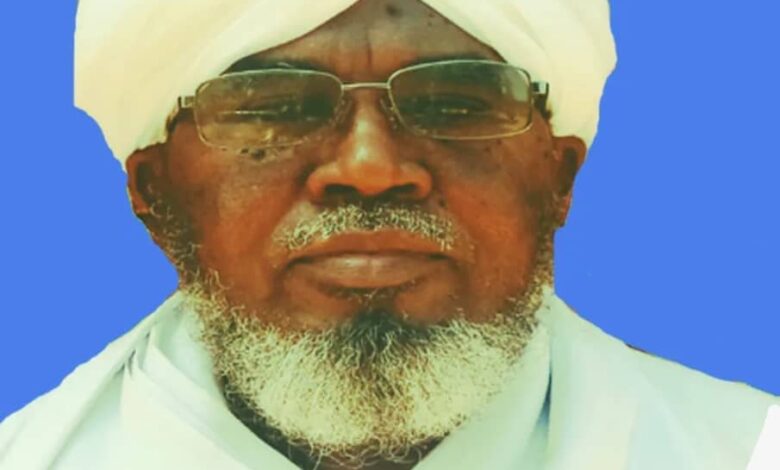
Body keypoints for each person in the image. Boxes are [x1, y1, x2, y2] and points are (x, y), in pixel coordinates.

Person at [1, 0, 777, 469]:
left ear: (559, 176)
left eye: (456, 102)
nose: (371, 169)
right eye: (272, 106)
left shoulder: (742, 449)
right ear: (155, 194)